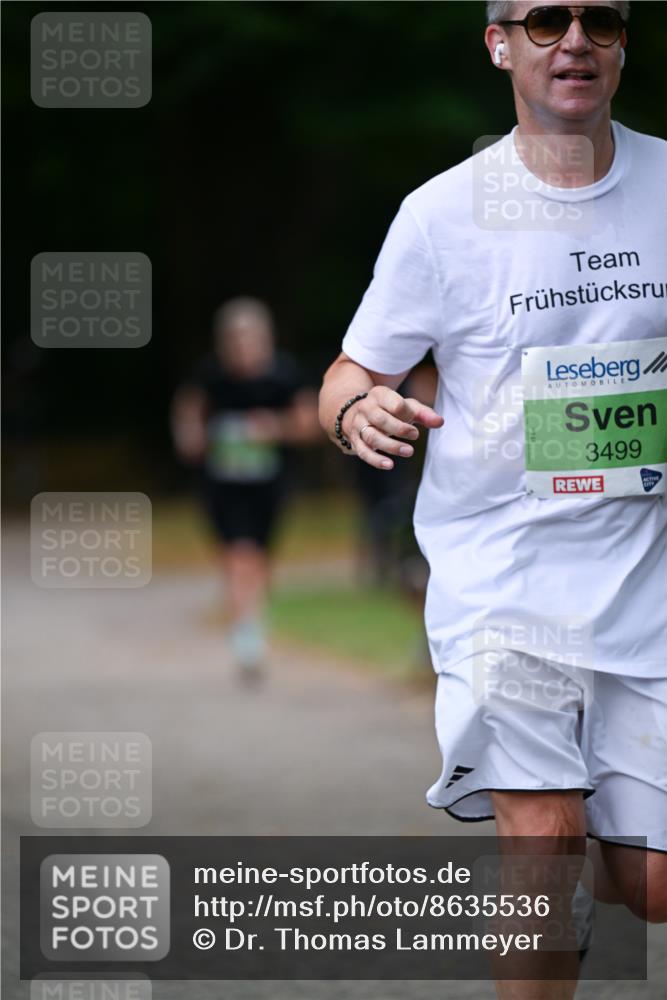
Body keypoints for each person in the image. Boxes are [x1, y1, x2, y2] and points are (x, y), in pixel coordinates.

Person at [319, 3, 666, 996]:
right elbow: (347, 371)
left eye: (599, 20)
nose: (574, 40)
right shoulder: (443, 214)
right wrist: (360, 415)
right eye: (545, 19)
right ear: (498, 44)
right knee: (541, 842)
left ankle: (605, 842)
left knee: (648, 886)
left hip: (644, 582)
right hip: (501, 583)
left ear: (621, 42)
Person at [172, 297, 318, 681]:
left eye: (251, 338)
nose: (243, 347)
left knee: (260, 558)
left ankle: (250, 618)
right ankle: (247, 633)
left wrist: (273, 426)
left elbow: (308, 424)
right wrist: (192, 438)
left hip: (270, 485)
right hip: (223, 484)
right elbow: (189, 411)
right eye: (235, 340)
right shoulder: (211, 375)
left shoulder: (285, 375)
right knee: (238, 553)